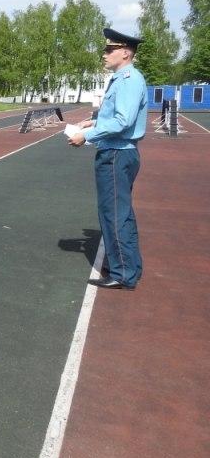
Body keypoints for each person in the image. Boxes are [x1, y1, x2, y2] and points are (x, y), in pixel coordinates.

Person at [68, 28, 148, 290]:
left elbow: (123, 121)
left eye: (109, 49)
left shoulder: (127, 79)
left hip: (116, 153)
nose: (104, 54)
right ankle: (129, 265)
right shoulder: (125, 78)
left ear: (125, 52)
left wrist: (88, 135)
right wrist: (95, 120)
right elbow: (116, 115)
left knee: (114, 213)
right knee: (120, 212)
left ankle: (122, 271)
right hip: (119, 152)